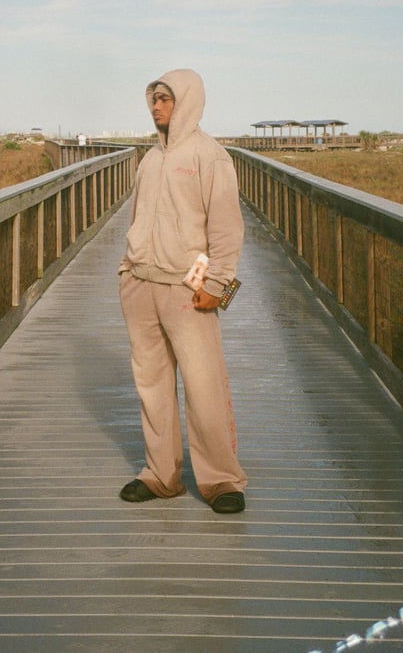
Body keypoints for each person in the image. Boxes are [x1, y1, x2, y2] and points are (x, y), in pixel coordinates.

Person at [118, 68, 247, 514]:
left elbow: (228, 229)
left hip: (186, 291)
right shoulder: (150, 159)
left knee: (203, 384)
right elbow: (136, 220)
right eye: (154, 98)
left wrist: (218, 286)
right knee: (151, 385)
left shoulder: (210, 156)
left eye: (166, 99)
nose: (157, 106)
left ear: (188, 101)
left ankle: (222, 481)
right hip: (141, 284)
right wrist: (126, 272)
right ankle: (160, 475)